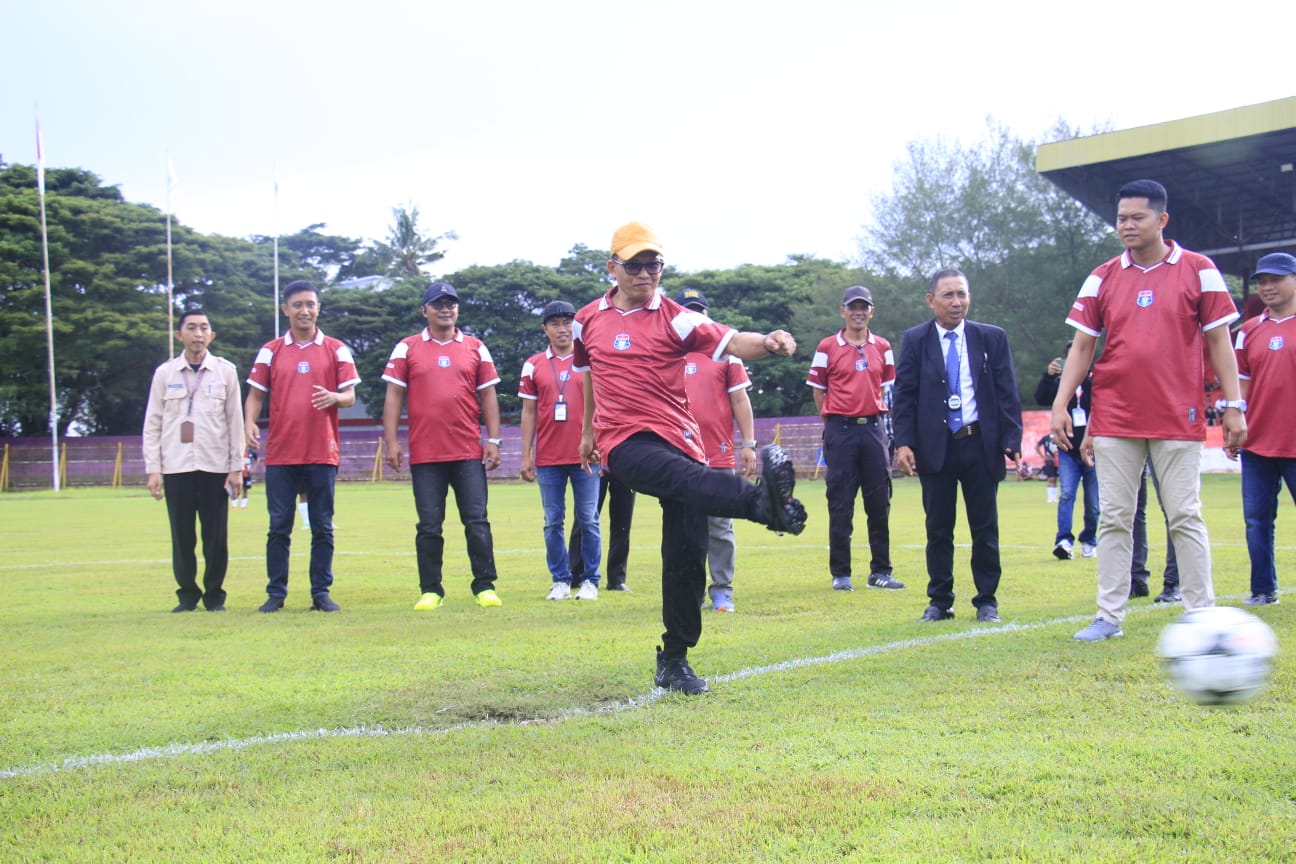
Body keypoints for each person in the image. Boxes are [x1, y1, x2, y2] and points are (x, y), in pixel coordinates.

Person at [574, 221, 806, 695]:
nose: (645, 273)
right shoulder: (586, 320)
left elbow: (733, 341)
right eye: (634, 265)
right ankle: (762, 505)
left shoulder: (676, 318)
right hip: (624, 441)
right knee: (683, 480)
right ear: (612, 267)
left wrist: (769, 341)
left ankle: (674, 659)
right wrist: (587, 431)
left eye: (653, 264)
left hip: (681, 440)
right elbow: (589, 373)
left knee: (686, 553)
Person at [1051, 179, 1246, 641]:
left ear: (1162, 220)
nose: (1127, 225)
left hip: (1178, 416)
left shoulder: (1199, 269)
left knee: (1184, 516)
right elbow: (1083, 347)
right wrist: (1061, 403)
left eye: (1137, 217)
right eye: (1121, 218)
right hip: (1115, 417)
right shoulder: (1102, 277)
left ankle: (1201, 616)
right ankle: (1108, 617)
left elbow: (1220, 342)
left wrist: (1234, 405)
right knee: (1115, 518)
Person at [892, 268, 1023, 623]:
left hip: (980, 444)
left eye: (962, 294)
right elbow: (904, 396)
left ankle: (987, 601)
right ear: (930, 300)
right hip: (936, 447)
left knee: (985, 527)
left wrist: (1011, 439)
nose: (956, 302)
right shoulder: (916, 340)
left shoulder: (991, 338)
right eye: (948, 295)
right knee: (938, 528)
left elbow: (1007, 392)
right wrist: (903, 442)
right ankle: (940, 601)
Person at [382, 281, 504, 610]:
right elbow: (393, 395)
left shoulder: (475, 347)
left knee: (476, 520)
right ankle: (431, 590)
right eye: (438, 304)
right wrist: (391, 442)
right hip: (426, 454)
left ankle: (485, 586)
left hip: (467, 452)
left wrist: (493, 440)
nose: (445, 309)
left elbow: (488, 395)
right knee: (429, 526)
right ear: (425, 310)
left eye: (451, 303)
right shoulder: (406, 348)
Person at [244, 280, 359, 613]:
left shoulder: (336, 349)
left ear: (318, 308)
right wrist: (249, 422)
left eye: (310, 304)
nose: (304, 310)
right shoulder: (271, 350)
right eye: (297, 305)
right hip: (281, 454)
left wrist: (335, 396)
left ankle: (321, 593)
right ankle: (276, 593)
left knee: (322, 526)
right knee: (279, 526)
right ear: (285, 310)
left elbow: (350, 396)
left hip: (322, 451)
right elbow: (255, 395)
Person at [143, 309, 245, 612]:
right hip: (177, 467)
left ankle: (215, 596)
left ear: (211, 335)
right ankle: (187, 595)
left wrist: (236, 468)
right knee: (182, 537)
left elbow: (235, 422)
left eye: (203, 328)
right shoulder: (165, 374)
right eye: (191, 328)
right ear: (179, 335)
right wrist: (154, 469)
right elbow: (153, 424)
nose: (197, 334)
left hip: (215, 467)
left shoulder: (225, 372)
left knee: (216, 538)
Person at [806, 284, 904, 593]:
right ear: (843, 311)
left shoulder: (883, 347)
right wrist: (834, 421)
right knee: (841, 501)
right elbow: (818, 391)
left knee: (879, 502)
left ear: (872, 312)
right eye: (853, 307)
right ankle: (841, 573)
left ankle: (881, 572)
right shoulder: (827, 347)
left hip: (873, 429)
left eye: (864, 307)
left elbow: (887, 388)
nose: (858, 312)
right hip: (841, 430)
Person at [676, 287, 759, 612]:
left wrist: (748, 444)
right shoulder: (664, 353)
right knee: (683, 528)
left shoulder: (726, 353)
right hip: (677, 455)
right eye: (688, 311)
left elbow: (740, 399)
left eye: (700, 311)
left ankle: (722, 590)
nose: (695, 317)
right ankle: (689, 592)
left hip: (718, 454)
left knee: (720, 526)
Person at [519, 299, 602, 601]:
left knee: (588, 519)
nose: (562, 329)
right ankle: (560, 580)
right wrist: (526, 455)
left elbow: (603, 405)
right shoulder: (533, 364)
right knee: (553, 521)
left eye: (568, 322)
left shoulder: (590, 360)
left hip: (586, 456)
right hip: (549, 458)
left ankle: (590, 580)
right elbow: (529, 412)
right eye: (555, 323)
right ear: (545, 329)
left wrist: (599, 443)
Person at [1235, 251, 1296, 606]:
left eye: (1276, 279)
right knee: (1256, 521)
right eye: (1262, 281)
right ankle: (1262, 590)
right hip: (1257, 442)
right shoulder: (1248, 331)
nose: (1267, 287)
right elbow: (1241, 384)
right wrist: (1233, 421)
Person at [1034, 347, 1097, 559]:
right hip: (1067, 449)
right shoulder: (1059, 383)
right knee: (1067, 495)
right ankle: (1064, 541)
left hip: (1092, 450)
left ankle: (1089, 539)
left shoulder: (1095, 381)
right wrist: (1048, 376)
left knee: (1093, 501)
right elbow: (1041, 398)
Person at [569, 473, 635, 591]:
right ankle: (575, 574)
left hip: (625, 466)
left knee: (623, 523)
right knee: (584, 519)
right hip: (596, 465)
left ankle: (616, 579)